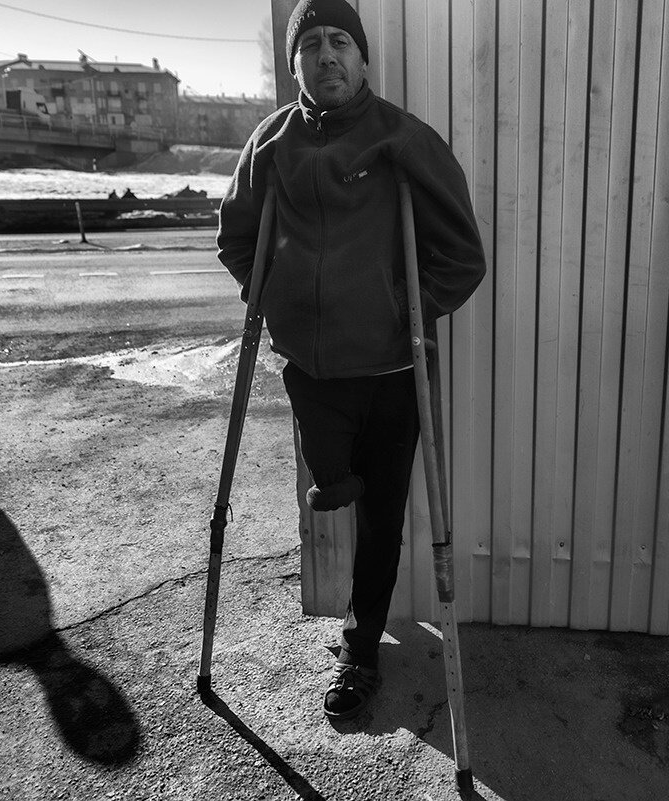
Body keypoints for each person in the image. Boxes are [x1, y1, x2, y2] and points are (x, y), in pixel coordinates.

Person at [216, 0, 485, 722]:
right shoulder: (271, 141)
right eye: (311, 44)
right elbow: (236, 238)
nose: (327, 55)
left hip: (394, 372)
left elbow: (462, 256)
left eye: (341, 41)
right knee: (331, 480)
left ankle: (360, 648)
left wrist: (400, 307)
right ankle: (339, 484)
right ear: (295, 63)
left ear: (363, 58)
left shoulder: (402, 137)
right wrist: (274, 299)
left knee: (382, 516)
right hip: (311, 368)